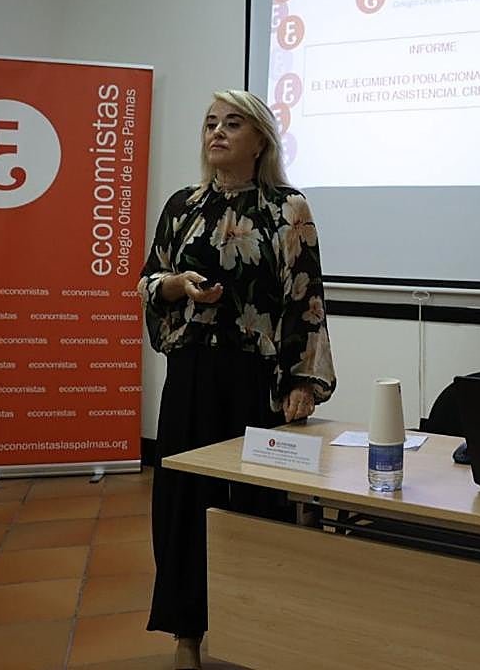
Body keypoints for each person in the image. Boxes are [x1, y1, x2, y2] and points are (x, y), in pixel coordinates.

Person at [137, 89, 336, 670]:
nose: (216, 133)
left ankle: (257, 628)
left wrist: (303, 379)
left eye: (231, 123)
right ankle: (187, 634)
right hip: (192, 375)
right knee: (183, 502)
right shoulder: (183, 206)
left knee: (257, 503)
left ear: (260, 141)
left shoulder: (287, 209)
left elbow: (306, 299)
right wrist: (175, 286)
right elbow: (149, 279)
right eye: (209, 123)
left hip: (257, 378)